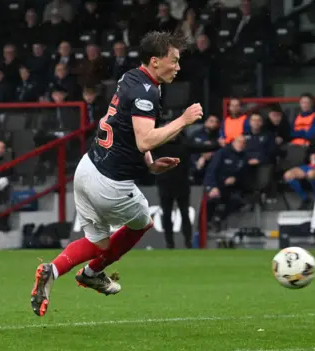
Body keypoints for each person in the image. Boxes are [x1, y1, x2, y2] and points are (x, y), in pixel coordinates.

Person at [30, 31, 203, 317]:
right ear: (155, 61)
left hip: (87, 168)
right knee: (143, 223)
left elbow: (124, 128)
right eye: (174, 61)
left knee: (97, 242)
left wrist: (148, 163)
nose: (178, 67)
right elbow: (145, 139)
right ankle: (93, 273)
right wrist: (183, 120)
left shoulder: (132, 77)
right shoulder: (146, 92)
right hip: (110, 182)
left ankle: (53, 271)